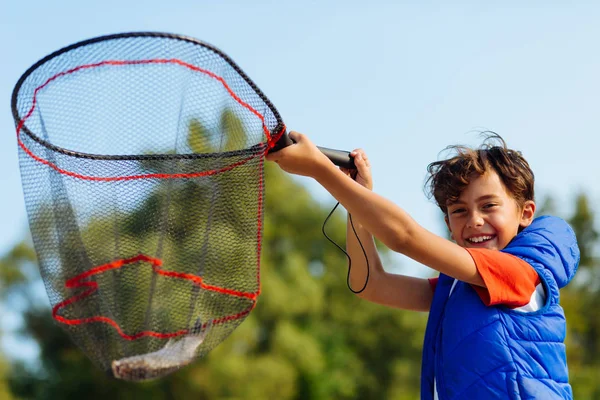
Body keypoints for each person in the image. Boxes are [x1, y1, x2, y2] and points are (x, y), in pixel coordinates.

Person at [266, 131, 579, 399]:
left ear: (526, 213)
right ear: (448, 221)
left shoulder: (517, 274)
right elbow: (371, 282)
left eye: (489, 206)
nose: (475, 221)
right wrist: (356, 197)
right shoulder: (456, 287)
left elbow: (404, 236)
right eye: (459, 211)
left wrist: (321, 171)